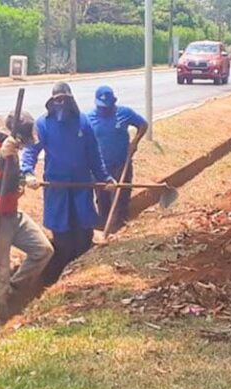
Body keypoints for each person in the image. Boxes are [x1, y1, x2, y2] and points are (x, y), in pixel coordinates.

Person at [21, 82, 116, 285]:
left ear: (71, 100)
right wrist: (28, 172)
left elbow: (94, 155)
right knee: (62, 239)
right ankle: (53, 281)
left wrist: (104, 177)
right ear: (52, 102)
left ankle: (81, 278)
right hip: (57, 189)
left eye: (65, 99)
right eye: (57, 100)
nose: (61, 103)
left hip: (81, 187)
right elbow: (30, 150)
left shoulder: (83, 123)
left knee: (83, 236)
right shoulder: (43, 124)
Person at [0, 110, 53, 321]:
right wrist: (2, 155)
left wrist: (24, 179)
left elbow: (13, 175)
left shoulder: (13, 150)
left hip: (12, 214)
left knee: (43, 250)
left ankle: (13, 292)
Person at [87, 85, 149, 230]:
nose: (104, 109)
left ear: (113, 102)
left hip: (121, 165)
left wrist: (134, 142)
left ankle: (116, 230)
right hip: (99, 169)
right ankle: (104, 229)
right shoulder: (89, 118)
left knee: (120, 200)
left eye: (107, 107)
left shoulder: (124, 113)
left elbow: (143, 124)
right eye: (101, 107)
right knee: (102, 201)